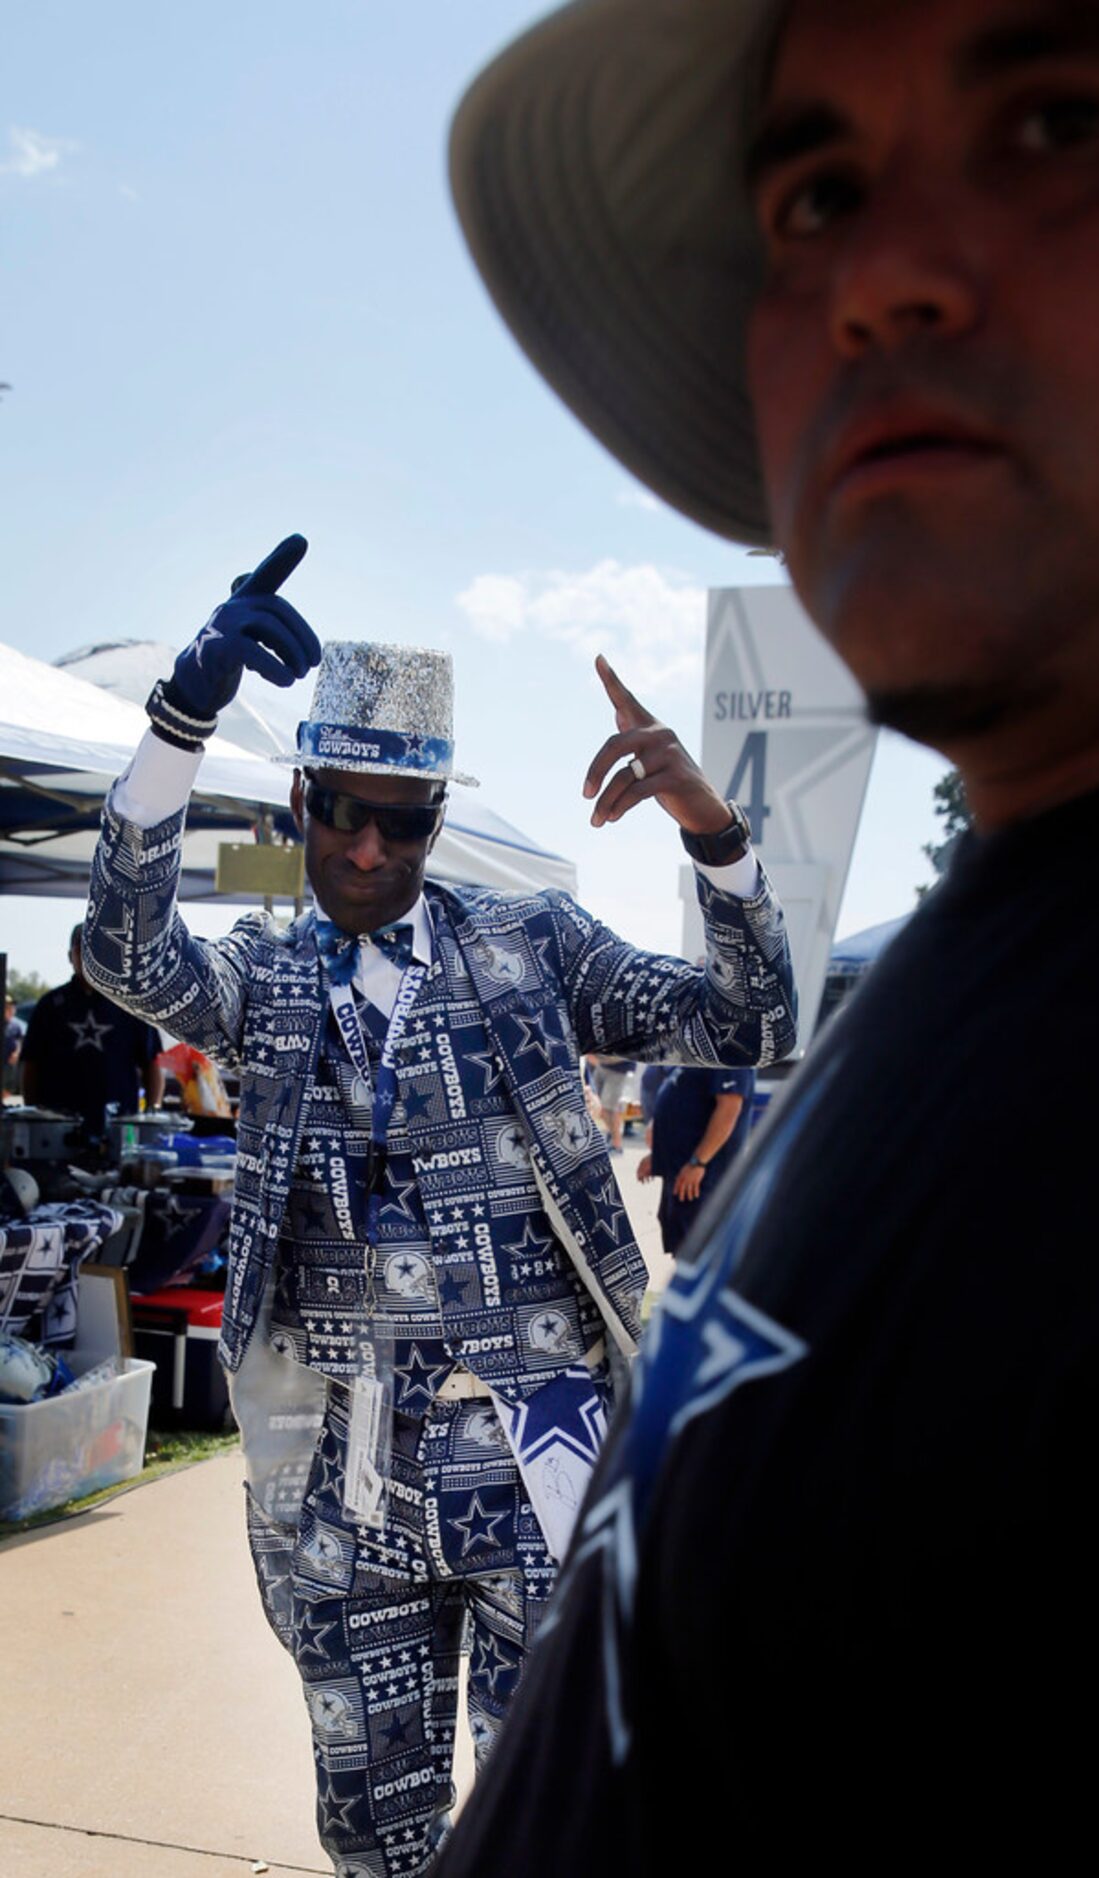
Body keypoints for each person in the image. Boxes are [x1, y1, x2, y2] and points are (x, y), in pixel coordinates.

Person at [439, 0, 1099, 1861]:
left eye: (1059, 119)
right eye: (807, 196)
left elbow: (723, 1002)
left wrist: (713, 833)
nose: (872, 273)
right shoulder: (1037, 916)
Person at [82, 539, 795, 1876]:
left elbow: (746, 1017)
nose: (366, 844)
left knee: (562, 1821)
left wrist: (717, 837)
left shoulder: (531, 943)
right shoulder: (269, 971)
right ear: (299, 802)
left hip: (543, 1445)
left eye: (401, 818)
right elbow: (127, 954)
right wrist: (177, 727)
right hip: (345, 1478)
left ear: (432, 814)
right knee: (376, 1836)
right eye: (342, 810)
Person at [19, 924, 162, 1137]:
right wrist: (36, 1118)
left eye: (95, 948)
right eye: (81, 948)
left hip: (118, 1127)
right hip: (59, 1129)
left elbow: (152, 1063)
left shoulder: (130, 1004)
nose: (87, 956)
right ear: (70, 956)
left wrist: (151, 1114)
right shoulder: (50, 1005)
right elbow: (30, 1063)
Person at [637, 1063, 754, 1260]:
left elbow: (729, 1109)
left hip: (703, 1177)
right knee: (683, 1246)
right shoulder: (702, 1053)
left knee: (700, 1250)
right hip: (682, 1172)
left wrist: (698, 1162)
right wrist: (658, 1155)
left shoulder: (730, 1054)